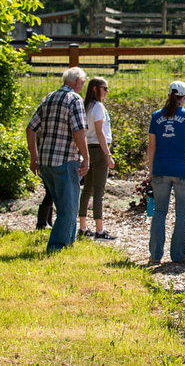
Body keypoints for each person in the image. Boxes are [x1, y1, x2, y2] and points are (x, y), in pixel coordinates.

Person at [26, 67, 89, 252]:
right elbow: (79, 131)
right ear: (77, 81)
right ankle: (57, 247)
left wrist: (34, 156)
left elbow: (30, 128)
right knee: (68, 208)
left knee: (63, 206)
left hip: (45, 161)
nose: (82, 88)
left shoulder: (49, 97)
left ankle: (68, 243)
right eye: (82, 84)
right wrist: (86, 157)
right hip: (66, 159)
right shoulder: (74, 99)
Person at [148, 80, 185, 264]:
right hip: (183, 170)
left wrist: (151, 170)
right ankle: (178, 255)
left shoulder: (156, 117)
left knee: (159, 211)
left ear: (168, 96)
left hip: (161, 169)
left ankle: (155, 254)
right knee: (182, 213)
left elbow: (151, 147)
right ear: (184, 97)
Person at [77, 77, 116, 240]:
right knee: (99, 190)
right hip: (99, 150)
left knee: (87, 189)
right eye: (104, 88)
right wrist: (108, 155)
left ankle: (83, 227)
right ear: (95, 89)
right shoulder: (98, 107)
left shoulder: (87, 106)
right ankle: (100, 231)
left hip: (88, 149)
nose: (107, 91)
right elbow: (100, 132)